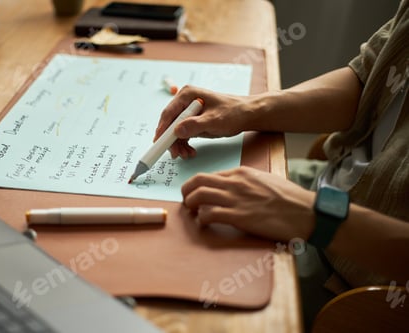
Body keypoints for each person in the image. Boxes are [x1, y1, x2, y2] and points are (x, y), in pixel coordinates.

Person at [154, 0, 408, 329]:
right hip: (327, 192)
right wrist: (249, 108)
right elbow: (369, 76)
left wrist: (316, 215)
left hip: (361, 292)